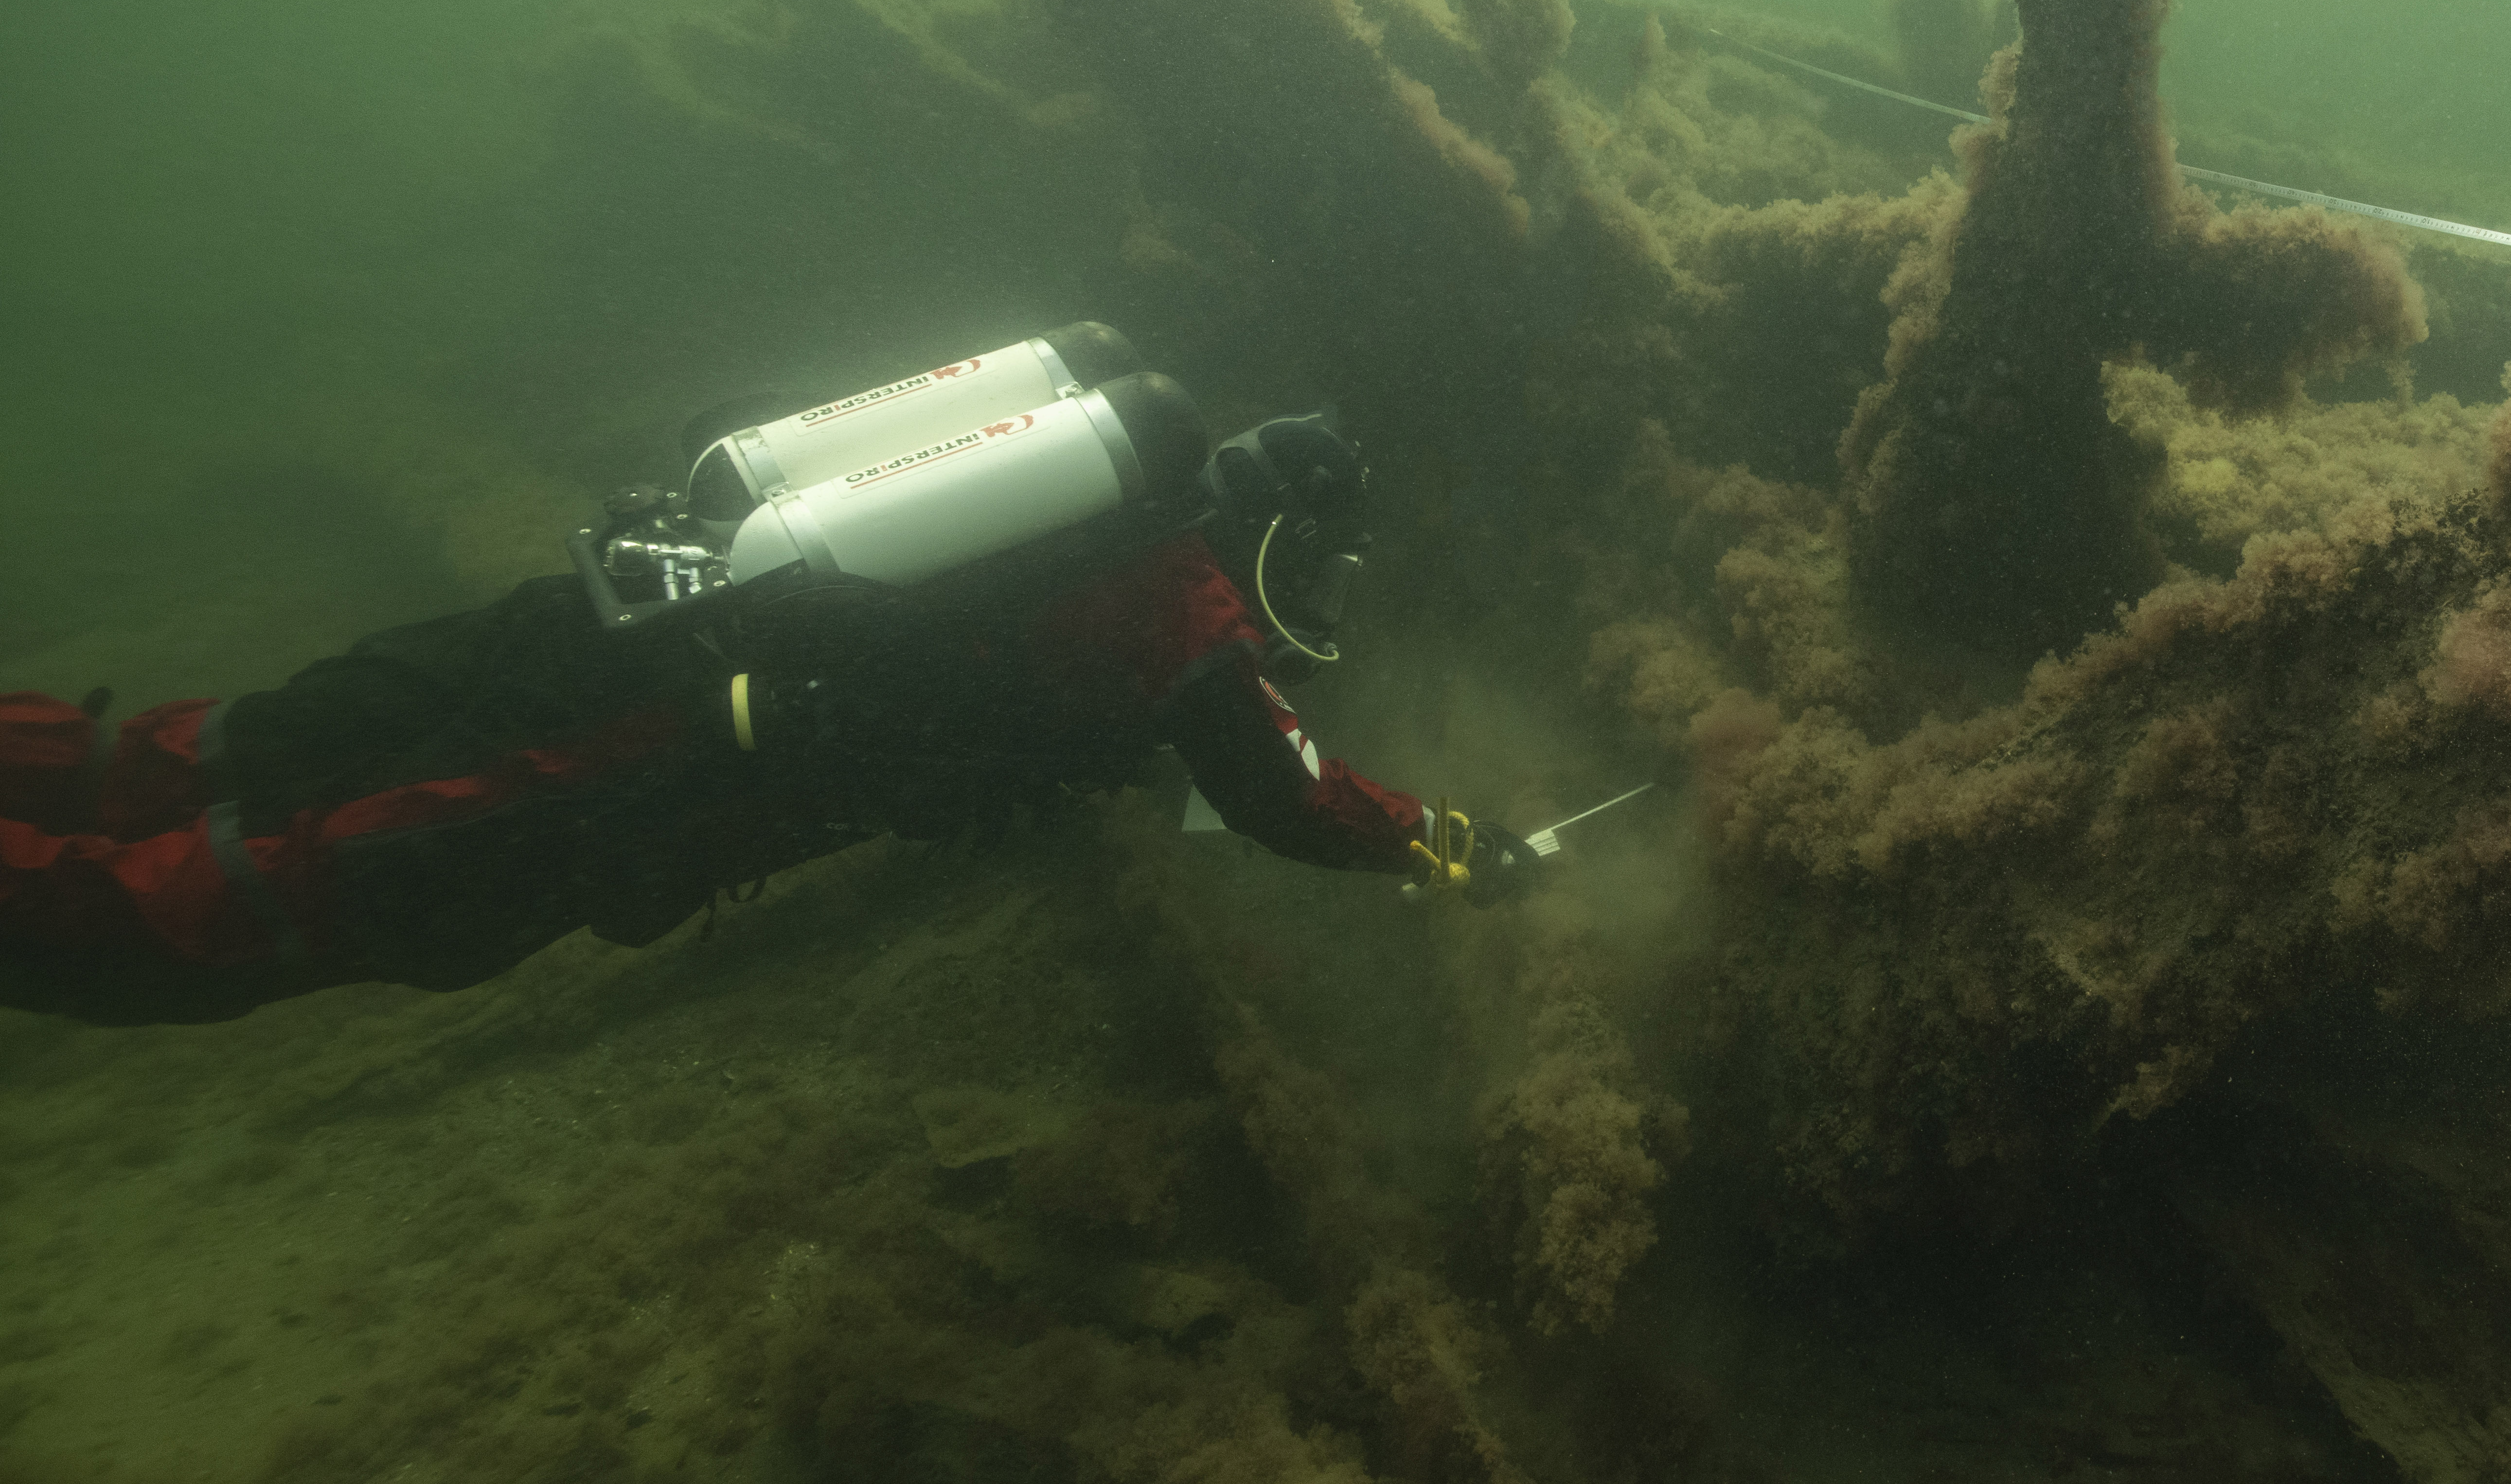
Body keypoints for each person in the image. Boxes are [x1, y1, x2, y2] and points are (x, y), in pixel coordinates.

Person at [0, 382, 1533, 1030]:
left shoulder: (1066, 500)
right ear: (1288, 528)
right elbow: (1288, 799)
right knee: (296, 890)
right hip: (663, 755)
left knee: (245, 744)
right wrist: (1465, 850)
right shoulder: (1187, 612)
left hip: (617, 604)